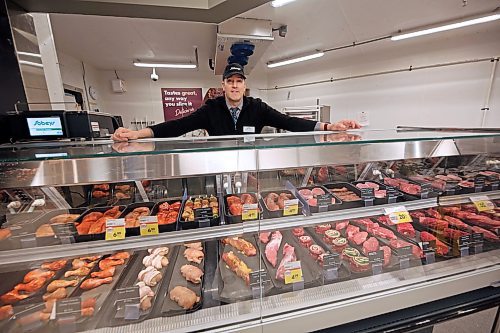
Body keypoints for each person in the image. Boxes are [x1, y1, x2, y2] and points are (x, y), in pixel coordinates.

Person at [112, 63, 361, 141]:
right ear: (223, 85)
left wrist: (329, 127)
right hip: (219, 169)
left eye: (238, 81)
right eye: (229, 81)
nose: (234, 85)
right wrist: (137, 134)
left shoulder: (257, 107)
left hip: (251, 171)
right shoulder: (211, 109)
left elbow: (289, 122)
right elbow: (177, 126)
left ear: (244, 85)